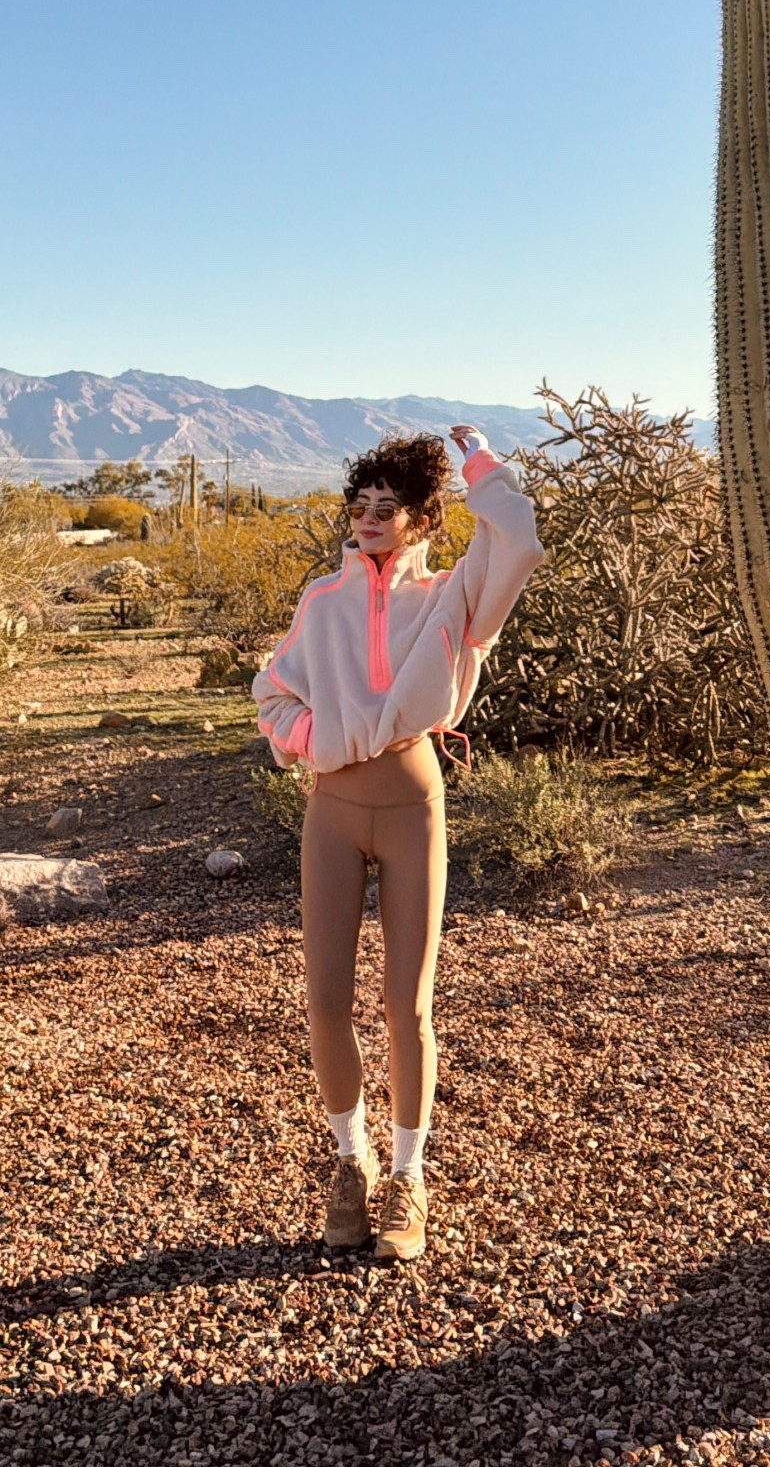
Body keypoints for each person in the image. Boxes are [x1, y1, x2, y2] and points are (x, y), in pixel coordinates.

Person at [253, 426, 544, 1260]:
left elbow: (518, 539)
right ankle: (351, 1163)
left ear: (421, 521)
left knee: (406, 1005)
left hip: (414, 801)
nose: (371, 518)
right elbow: (271, 694)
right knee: (324, 1001)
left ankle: (408, 1178)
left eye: (391, 507)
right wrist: (314, 738)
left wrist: (481, 460)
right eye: (362, 505)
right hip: (333, 809)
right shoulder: (322, 601)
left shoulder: (456, 597)